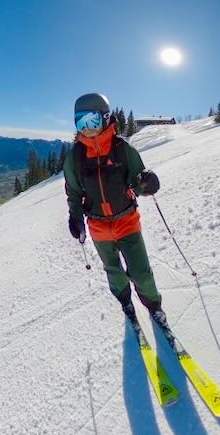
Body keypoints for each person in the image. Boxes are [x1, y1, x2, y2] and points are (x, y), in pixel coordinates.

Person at [64, 92, 165, 324]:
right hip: (98, 227)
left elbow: (137, 182)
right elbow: (74, 192)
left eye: (92, 121)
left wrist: (147, 183)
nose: (87, 128)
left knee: (141, 272)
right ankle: (125, 303)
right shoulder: (75, 158)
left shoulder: (122, 149)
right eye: (81, 122)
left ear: (106, 118)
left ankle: (153, 306)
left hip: (127, 221)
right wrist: (75, 217)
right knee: (114, 272)